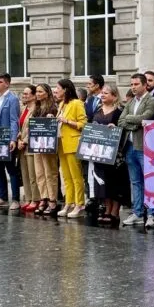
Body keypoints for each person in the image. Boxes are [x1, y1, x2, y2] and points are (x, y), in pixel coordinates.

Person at [118, 73, 154, 227]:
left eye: (136, 84)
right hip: (130, 147)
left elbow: (147, 118)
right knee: (135, 182)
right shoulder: (130, 102)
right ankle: (137, 212)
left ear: (144, 85)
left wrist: (131, 119)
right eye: (131, 85)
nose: (133, 87)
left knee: (150, 181)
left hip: (144, 147)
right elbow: (121, 121)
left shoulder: (152, 101)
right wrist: (135, 123)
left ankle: (152, 214)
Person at [94, 85, 129, 226]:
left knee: (116, 182)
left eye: (106, 93)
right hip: (100, 152)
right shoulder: (97, 110)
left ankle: (115, 211)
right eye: (102, 93)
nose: (102, 95)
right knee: (104, 182)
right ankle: (107, 209)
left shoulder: (119, 112)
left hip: (115, 153)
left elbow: (124, 130)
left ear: (114, 96)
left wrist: (116, 129)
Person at [0, 73, 21, 210]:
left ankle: (16, 199)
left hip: (6, 138)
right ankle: (2, 197)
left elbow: (14, 120)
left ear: (7, 83)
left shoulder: (12, 99)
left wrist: (13, 139)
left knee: (11, 169)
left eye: (0, 82)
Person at [54, 78, 88, 218]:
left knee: (76, 176)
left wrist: (67, 121)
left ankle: (79, 203)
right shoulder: (62, 104)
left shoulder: (77, 103)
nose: (56, 91)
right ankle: (69, 202)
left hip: (73, 143)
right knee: (66, 177)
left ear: (66, 89)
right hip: (62, 143)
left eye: (58, 88)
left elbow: (83, 123)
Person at [33, 83, 60, 216]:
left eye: (40, 92)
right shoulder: (37, 108)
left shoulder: (53, 107)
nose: (37, 94)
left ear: (47, 93)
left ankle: (52, 199)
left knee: (50, 173)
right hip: (37, 144)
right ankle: (43, 197)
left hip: (48, 145)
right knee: (40, 173)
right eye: (36, 92)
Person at [17, 86, 42, 213]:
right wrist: (19, 139)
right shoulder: (23, 109)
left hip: (31, 146)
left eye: (27, 94)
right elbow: (21, 127)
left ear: (33, 96)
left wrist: (25, 141)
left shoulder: (37, 109)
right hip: (21, 146)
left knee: (33, 175)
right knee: (25, 174)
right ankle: (28, 198)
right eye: (23, 93)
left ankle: (35, 199)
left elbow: (34, 128)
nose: (24, 96)